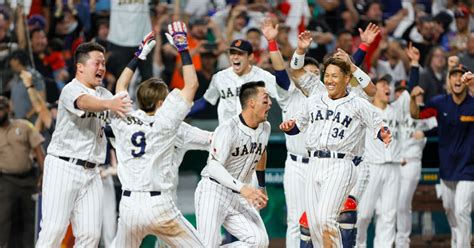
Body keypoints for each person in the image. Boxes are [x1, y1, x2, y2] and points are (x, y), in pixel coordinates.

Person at [261, 19, 379, 248]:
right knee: (300, 221)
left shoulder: (336, 94)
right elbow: (284, 69)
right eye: (312, 73)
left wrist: (362, 49)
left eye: (319, 73)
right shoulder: (292, 94)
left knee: (336, 216)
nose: (318, 78)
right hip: (299, 164)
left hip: (337, 162)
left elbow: (346, 72)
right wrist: (277, 43)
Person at [109, 22, 205, 247]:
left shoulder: (123, 118)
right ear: (162, 102)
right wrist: (183, 49)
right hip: (159, 206)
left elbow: (121, 86)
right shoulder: (166, 120)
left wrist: (137, 56)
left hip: (129, 206)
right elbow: (192, 84)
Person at [36, 42, 132, 247]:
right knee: (53, 230)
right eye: (97, 63)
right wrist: (109, 104)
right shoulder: (71, 90)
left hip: (92, 172)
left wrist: (136, 59)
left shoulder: (105, 94)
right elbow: (83, 103)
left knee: (90, 235)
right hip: (63, 166)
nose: (102, 68)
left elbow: (118, 101)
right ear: (80, 67)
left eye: (104, 63)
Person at [194, 81, 271, 247]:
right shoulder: (227, 129)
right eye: (265, 100)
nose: (270, 103)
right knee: (207, 245)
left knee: (259, 242)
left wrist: (261, 186)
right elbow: (213, 167)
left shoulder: (265, 127)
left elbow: (261, 152)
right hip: (213, 191)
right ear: (251, 103)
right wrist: (244, 188)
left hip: (239, 195)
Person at [410, 65, 474, 248]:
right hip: (446, 169)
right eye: (453, 75)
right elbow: (416, 114)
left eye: (461, 75)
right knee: (450, 210)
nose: (457, 79)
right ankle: (457, 240)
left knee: (462, 210)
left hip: (468, 169)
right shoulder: (440, 103)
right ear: (448, 81)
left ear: (466, 81)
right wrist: (413, 98)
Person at [188, 38, 279, 124]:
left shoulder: (262, 76)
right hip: (227, 134)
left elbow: (284, 93)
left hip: (253, 135)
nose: (235, 57)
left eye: (240, 54)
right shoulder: (220, 77)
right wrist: (180, 112)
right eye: (232, 53)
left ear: (250, 56)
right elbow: (205, 102)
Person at [0, 96, 45, 248]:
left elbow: (38, 150)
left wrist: (44, 174)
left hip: (28, 179)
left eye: (0, 110)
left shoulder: (24, 125)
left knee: (30, 219)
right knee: (4, 218)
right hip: (6, 180)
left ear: (7, 110)